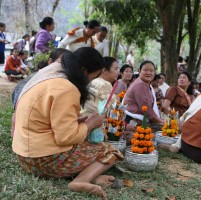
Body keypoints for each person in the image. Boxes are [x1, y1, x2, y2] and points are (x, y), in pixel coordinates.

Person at [12, 47, 123, 199]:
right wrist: (91, 124)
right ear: (84, 71)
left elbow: (45, 117)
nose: (89, 82)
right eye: (91, 78)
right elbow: (65, 138)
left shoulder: (51, 71)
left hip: (23, 157)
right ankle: (80, 181)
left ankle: (91, 177)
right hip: (41, 161)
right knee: (109, 150)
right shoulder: (67, 88)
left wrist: (76, 122)